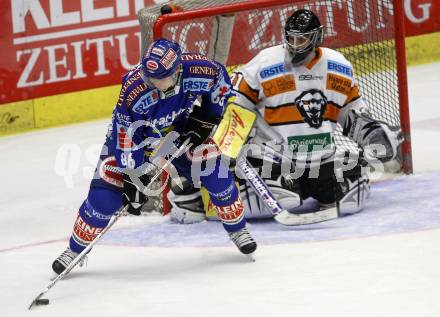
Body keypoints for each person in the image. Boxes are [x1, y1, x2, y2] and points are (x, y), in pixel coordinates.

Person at [169, 9, 403, 224]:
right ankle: (196, 191)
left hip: (319, 160)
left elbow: (351, 115)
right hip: (273, 160)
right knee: (281, 198)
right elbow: (235, 108)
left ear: (316, 38)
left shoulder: (338, 66)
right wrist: (228, 147)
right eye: (290, 38)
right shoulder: (265, 63)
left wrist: (373, 133)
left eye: (301, 39)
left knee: (353, 195)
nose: (294, 44)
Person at [52, 38, 257, 275]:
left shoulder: (200, 69)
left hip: (177, 133)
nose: (153, 82)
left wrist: (205, 118)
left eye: (160, 78)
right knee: (104, 199)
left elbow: (220, 81)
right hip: (135, 141)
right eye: (151, 77)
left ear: (177, 69)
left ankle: (238, 230)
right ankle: (74, 250)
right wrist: (133, 176)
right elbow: (126, 135)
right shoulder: (134, 88)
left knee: (215, 172)